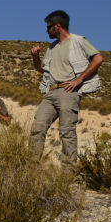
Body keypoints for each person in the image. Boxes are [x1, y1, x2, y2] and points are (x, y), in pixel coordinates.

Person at [30, 10, 103, 167]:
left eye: (48, 27)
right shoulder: (52, 47)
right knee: (37, 128)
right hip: (50, 92)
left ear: (57, 26)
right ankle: (29, 168)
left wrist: (80, 79)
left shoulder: (78, 41)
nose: (46, 30)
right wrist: (35, 58)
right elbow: (42, 70)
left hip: (68, 92)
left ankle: (68, 174)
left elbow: (98, 58)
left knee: (66, 132)